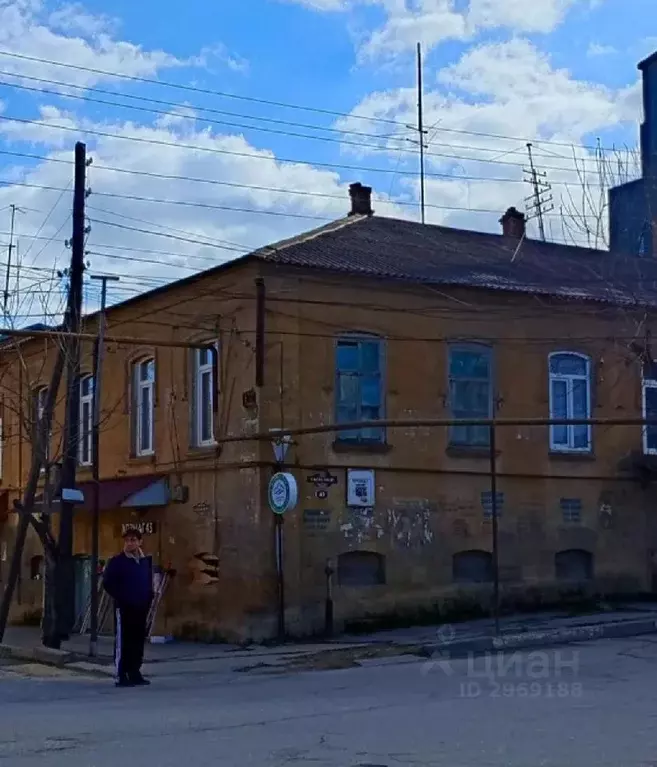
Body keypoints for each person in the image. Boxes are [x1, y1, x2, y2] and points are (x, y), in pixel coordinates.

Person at [102, 527, 154, 687]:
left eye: (133, 540)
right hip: (125, 608)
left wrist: (148, 598)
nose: (130, 543)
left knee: (137, 641)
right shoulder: (118, 561)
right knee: (124, 641)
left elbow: (148, 582)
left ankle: (135, 672)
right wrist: (122, 597)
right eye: (127, 540)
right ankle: (121, 674)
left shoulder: (144, 562)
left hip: (141, 607)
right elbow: (107, 583)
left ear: (140, 542)